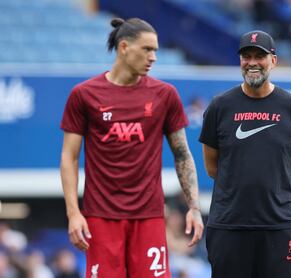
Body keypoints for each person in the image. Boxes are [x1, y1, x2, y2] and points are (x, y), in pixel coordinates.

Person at [60, 17, 204, 278]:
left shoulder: (165, 95)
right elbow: (69, 158)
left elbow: (182, 153)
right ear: (124, 47)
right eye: (147, 49)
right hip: (101, 217)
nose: (153, 57)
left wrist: (194, 207)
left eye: (156, 51)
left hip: (149, 216)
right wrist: (73, 213)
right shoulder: (84, 94)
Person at [199, 30, 291, 278]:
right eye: (246, 56)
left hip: (281, 225)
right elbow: (211, 166)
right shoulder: (220, 106)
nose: (252, 62)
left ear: (273, 60)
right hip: (230, 225)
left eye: (259, 56)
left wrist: (275, 195)